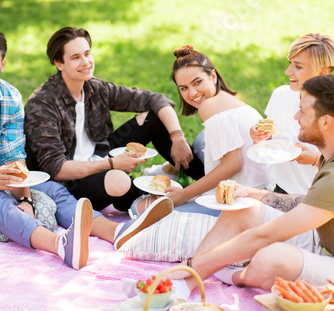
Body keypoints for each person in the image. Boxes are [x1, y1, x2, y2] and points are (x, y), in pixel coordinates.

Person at [0, 26, 172, 270]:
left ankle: (119, 232)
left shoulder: (8, 97)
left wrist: (26, 198)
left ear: (3, 64)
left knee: (54, 191)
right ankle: (60, 245)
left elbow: (14, 158)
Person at [171, 74, 334, 291]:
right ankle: (186, 284)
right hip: (323, 240)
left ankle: (235, 277)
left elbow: (266, 235)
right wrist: (251, 193)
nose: (296, 116)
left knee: (272, 257)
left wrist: (193, 263)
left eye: (303, 111)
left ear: (326, 122)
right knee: (242, 209)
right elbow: (309, 203)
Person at [24, 27, 204, 212]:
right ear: (59, 63)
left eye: (87, 53)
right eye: (76, 57)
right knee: (119, 181)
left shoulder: (95, 88)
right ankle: (147, 198)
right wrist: (111, 165)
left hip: (100, 156)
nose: (86, 62)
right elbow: (57, 168)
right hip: (69, 182)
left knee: (152, 118)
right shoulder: (42, 104)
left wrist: (177, 137)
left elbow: (155, 99)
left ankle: (208, 179)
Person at [130, 45, 273, 217]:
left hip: (237, 203)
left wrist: (184, 194)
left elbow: (233, 165)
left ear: (213, 76)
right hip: (261, 192)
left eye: (197, 82)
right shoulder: (232, 101)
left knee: (137, 206)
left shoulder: (209, 106)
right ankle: (171, 170)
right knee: (201, 140)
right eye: (183, 88)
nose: (192, 93)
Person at [251, 33, 334, 195]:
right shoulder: (281, 95)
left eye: (298, 67)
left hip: (318, 198)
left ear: (322, 73)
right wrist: (261, 137)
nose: (287, 71)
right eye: (290, 63)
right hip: (280, 190)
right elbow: (273, 141)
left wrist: (315, 160)